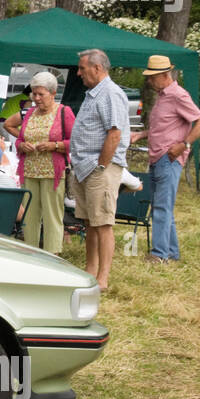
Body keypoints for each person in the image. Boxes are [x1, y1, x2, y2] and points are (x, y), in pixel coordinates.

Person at [129, 55, 200, 263]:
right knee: (162, 206)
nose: (149, 81)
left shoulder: (178, 95)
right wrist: (142, 135)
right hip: (158, 158)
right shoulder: (163, 96)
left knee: (161, 207)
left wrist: (185, 144)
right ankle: (171, 253)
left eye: (152, 77)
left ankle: (159, 255)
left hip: (168, 158)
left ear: (164, 75)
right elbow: (164, 127)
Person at [70, 49, 130, 289]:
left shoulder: (111, 94)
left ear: (97, 68)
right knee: (89, 222)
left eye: (82, 68)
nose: (78, 73)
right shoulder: (93, 93)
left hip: (100, 168)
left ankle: (103, 278)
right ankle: (90, 271)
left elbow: (114, 133)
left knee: (103, 223)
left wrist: (102, 165)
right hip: (85, 167)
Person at [3, 71, 75, 254]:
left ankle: (53, 254)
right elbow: (15, 132)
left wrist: (54, 145)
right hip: (29, 171)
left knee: (52, 215)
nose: (36, 98)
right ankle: (30, 252)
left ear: (52, 93)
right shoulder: (29, 113)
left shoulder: (64, 112)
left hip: (53, 172)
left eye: (40, 94)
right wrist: (22, 145)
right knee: (30, 214)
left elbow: (75, 141)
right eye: (34, 94)